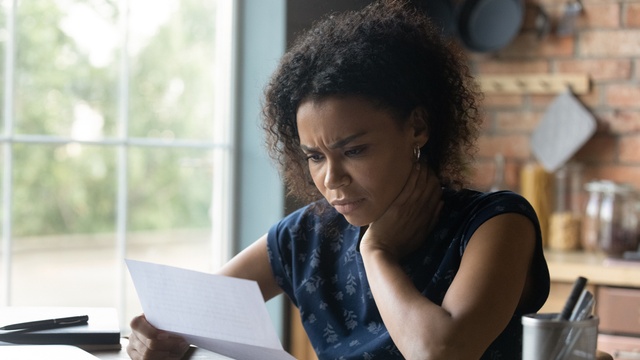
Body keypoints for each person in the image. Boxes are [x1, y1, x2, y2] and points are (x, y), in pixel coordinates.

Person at [127, 1, 550, 359]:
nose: (331, 179)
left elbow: (438, 353)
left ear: (418, 127)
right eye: (314, 156)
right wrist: (158, 338)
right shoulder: (308, 234)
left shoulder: (496, 224)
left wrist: (377, 251)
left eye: (354, 150)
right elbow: (185, 317)